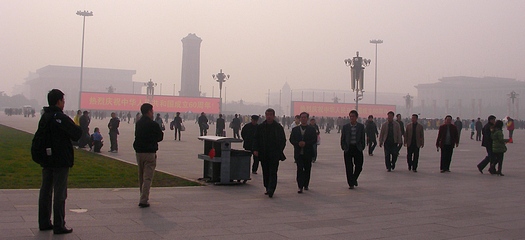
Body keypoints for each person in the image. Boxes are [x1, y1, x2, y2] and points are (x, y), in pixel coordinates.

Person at [34, 89, 82, 234]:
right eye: (63, 100)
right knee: (60, 193)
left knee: (45, 191)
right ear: (59, 101)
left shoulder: (45, 116)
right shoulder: (59, 117)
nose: (64, 102)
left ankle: (44, 222)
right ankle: (59, 225)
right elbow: (76, 134)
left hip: (46, 160)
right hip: (60, 161)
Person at [133, 103, 164, 208]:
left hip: (139, 152)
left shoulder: (138, 123)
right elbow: (160, 137)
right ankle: (143, 200)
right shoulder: (153, 124)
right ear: (149, 111)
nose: (153, 113)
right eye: (152, 111)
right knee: (147, 177)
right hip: (149, 153)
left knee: (141, 176)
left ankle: (142, 196)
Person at [253, 108, 286, 198]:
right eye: (267, 115)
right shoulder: (261, 127)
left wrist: (279, 150)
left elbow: (283, 140)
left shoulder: (278, 127)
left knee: (273, 172)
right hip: (264, 153)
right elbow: (256, 139)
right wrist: (255, 149)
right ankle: (267, 186)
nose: (269, 116)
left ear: (274, 116)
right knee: (266, 171)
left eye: (271, 115)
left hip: (274, 154)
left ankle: (271, 188)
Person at [289, 112, 317, 193]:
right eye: (302, 117)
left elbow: (314, 140)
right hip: (298, 153)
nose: (303, 119)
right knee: (299, 169)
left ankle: (306, 184)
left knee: (307, 169)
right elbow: (291, 139)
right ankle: (300, 186)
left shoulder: (311, 130)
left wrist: (306, 143)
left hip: (308, 153)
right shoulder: (295, 129)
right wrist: (297, 143)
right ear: (300, 118)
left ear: (307, 119)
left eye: (305, 117)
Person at [340, 110, 365, 189]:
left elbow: (362, 138)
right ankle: (351, 183)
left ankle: (354, 179)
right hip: (348, 148)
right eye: (350, 116)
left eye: (353, 116)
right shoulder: (345, 127)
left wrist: (362, 147)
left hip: (357, 148)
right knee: (349, 167)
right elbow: (343, 138)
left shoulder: (361, 127)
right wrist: (344, 147)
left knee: (359, 166)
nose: (351, 118)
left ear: (356, 117)